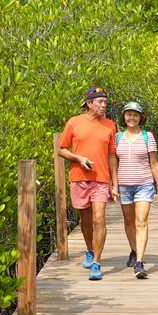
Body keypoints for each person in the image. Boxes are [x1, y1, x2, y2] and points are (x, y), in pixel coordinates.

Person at [58, 86, 119, 281]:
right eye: (100, 102)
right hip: (79, 177)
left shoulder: (110, 125)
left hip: (101, 179)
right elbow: (61, 149)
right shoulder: (74, 122)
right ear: (89, 103)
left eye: (105, 102)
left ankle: (96, 263)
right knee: (85, 219)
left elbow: (111, 156)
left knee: (99, 219)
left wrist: (114, 184)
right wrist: (77, 158)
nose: (103, 105)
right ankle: (89, 250)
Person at [115, 102, 158, 278]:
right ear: (124, 117)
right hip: (124, 186)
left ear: (141, 117)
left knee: (141, 221)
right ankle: (134, 250)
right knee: (129, 221)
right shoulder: (117, 137)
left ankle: (139, 263)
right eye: (129, 114)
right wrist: (113, 186)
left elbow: (154, 164)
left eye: (135, 115)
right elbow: (113, 164)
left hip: (144, 185)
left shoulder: (147, 136)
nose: (132, 118)